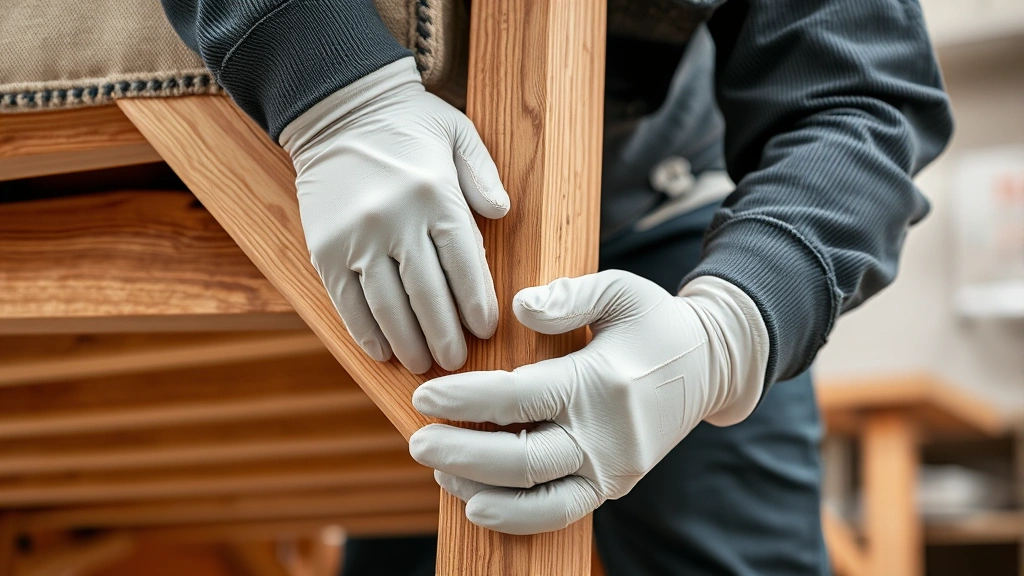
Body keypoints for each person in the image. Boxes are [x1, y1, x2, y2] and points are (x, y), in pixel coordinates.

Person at [161, 1, 953, 574]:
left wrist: (729, 329)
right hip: (270, 226)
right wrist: (328, 83)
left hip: (652, 241)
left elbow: (860, 93)